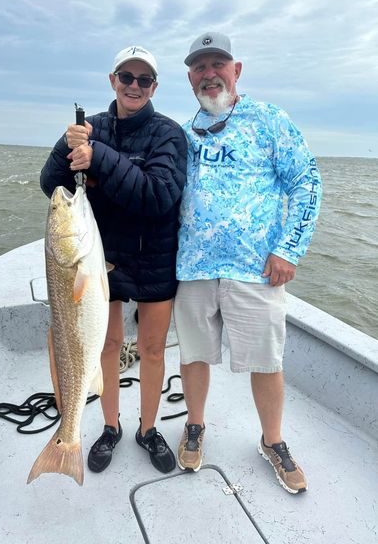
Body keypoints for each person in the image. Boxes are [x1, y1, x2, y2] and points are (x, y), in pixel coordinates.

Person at [173, 31, 322, 494]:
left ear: (236, 71)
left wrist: (288, 249)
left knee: (266, 361)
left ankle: (272, 441)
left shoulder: (269, 119)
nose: (209, 73)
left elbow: (307, 183)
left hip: (255, 269)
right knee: (194, 355)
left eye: (218, 64)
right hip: (194, 268)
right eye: (200, 66)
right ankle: (195, 426)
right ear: (190, 78)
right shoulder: (183, 132)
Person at [40, 45, 187, 475]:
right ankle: (109, 427)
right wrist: (68, 150)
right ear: (113, 81)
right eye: (127, 77)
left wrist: (99, 157)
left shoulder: (168, 134)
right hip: (102, 258)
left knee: (152, 348)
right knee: (105, 344)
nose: (134, 86)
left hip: (156, 256)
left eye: (144, 80)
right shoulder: (91, 128)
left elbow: (159, 195)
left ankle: (147, 428)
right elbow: (53, 185)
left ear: (154, 87)